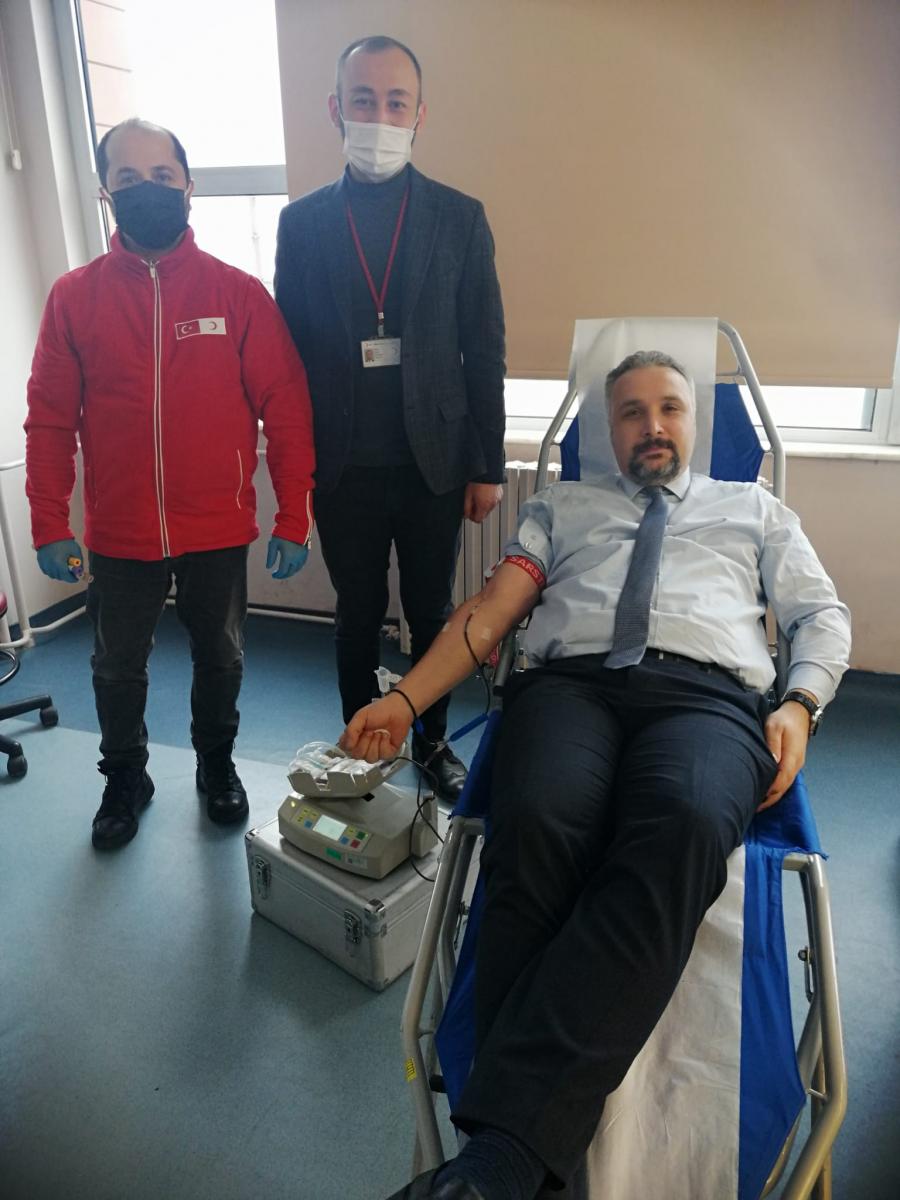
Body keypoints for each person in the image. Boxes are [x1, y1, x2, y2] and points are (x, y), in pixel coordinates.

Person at [340, 351, 851, 1200]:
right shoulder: (560, 509)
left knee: (687, 824)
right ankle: (510, 1168)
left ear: (694, 422)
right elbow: (492, 614)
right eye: (630, 412)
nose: (652, 426)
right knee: (538, 825)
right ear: (606, 432)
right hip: (570, 688)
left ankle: (494, 1165)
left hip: (709, 697)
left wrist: (800, 704)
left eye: (669, 408)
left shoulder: (753, 510)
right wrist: (406, 700)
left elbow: (820, 614)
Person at [25, 119, 316, 850]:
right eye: (127, 178)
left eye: (162, 175)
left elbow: (286, 409)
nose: (146, 188)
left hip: (216, 525)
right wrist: (49, 522)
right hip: (120, 531)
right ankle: (126, 775)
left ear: (189, 186)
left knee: (221, 656)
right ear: (105, 193)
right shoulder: (73, 298)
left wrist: (294, 515)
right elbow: (50, 420)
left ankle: (216, 764)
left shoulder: (238, 293)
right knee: (116, 666)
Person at [275, 35, 506, 803]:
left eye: (395, 101)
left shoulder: (460, 218)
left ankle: (432, 740)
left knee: (432, 612)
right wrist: (295, 470)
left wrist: (487, 464)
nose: (379, 115)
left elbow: (485, 348)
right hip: (343, 463)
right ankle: (360, 741)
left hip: (434, 461)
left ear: (419, 114)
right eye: (363, 100)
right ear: (336, 109)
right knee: (357, 613)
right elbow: (289, 359)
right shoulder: (302, 224)